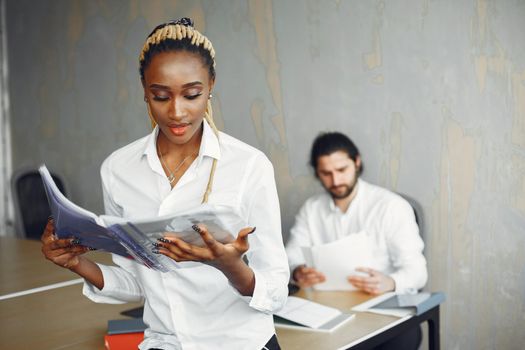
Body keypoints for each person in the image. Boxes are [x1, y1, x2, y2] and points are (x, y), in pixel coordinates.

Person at [41, 18, 289, 350]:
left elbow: (276, 291)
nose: (177, 112)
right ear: (144, 90)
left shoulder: (248, 166)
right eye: (161, 96)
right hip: (164, 344)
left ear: (211, 85)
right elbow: (140, 281)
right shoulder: (118, 169)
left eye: (192, 94)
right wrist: (76, 263)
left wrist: (229, 267)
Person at [285, 131, 427, 349]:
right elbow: (290, 255)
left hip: (379, 309)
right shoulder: (311, 209)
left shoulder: (391, 206)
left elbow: (417, 272)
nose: (336, 181)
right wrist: (297, 271)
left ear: (357, 162)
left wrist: (390, 282)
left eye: (342, 170)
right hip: (326, 310)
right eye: (326, 173)